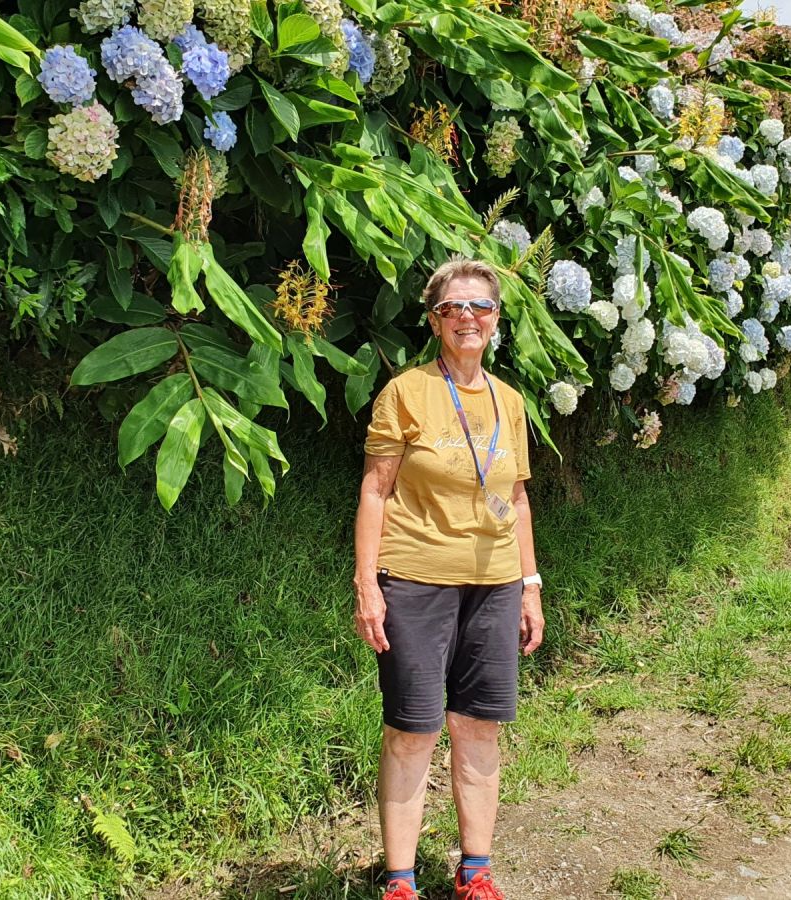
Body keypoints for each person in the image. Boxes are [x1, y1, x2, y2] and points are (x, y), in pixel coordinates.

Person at [354, 256, 545, 899]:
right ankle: (401, 881)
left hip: (494, 584)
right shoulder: (406, 392)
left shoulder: (510, 401)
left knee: (479, 725)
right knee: (413, 728)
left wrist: (530, 586)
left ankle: (476, 872)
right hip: (414, 579)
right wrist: (367, 585)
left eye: (481, 306)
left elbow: (516, 500)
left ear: (496, 320)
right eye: (454, 307)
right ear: (435, 320)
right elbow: (375, 492)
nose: (469, 317)